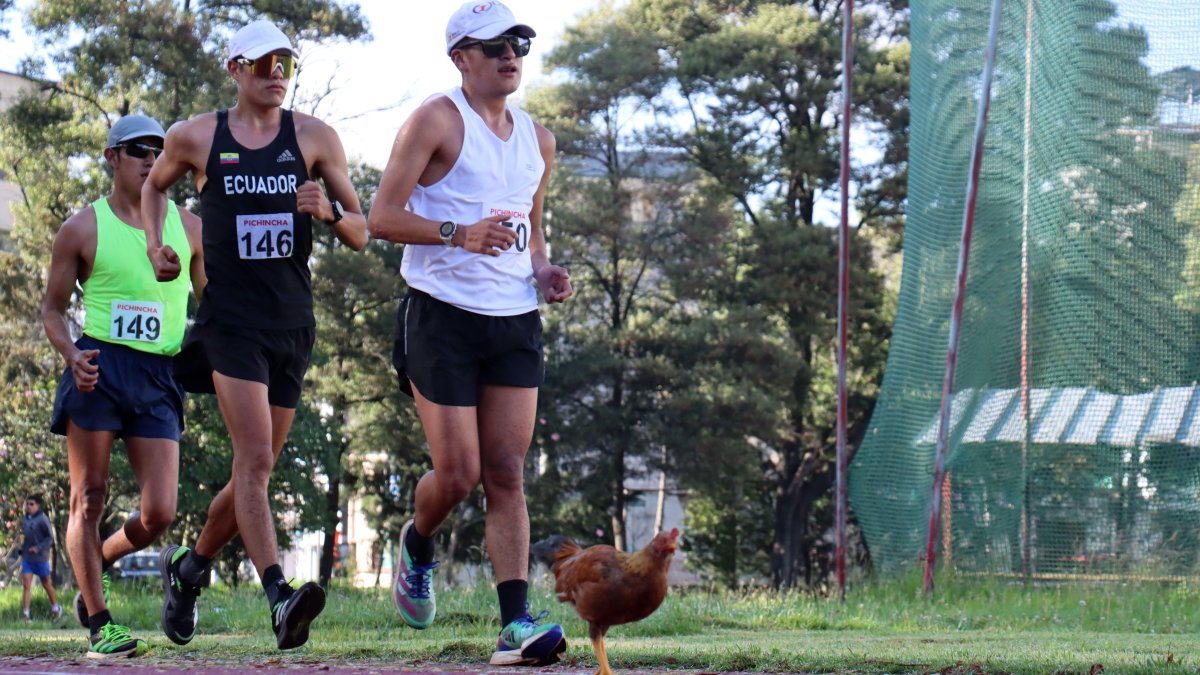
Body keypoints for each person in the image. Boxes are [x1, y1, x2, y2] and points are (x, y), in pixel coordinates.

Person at [142, 19, 368, 651]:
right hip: (230, 323)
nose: (277, 73)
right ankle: (278, 597)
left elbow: (362, 230)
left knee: (253, 475)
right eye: (264, 62)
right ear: (235, 68)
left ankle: (188, 571)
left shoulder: (316, 138)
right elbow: (153, 188)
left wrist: (329, 211)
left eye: (286, 64)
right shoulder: (195, 136)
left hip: (292, 324)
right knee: (258, 460)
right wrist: (160, 246)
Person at [366, 1, 573, 666]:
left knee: (506, 471)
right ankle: (418, 543)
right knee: (458, 474)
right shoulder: (436, 120)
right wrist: (458, 233)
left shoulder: (538, 140)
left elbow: (532, 229)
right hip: (440, 314)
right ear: (461, 58)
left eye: (518, 42)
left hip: (513, 317)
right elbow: (381, 216)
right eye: (493, 45)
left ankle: (515, 622)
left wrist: (544, 269)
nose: (510, 54)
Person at [42, 113, 205, 657]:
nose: (150, 160)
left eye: (159, 150)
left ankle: (99, 560)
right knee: (88, 498)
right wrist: (71, 354)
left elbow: (217, 304)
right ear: (111, 157)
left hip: (159, 372)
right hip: (100, 367)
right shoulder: (82, 227)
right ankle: (99, 625)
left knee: (160, 511)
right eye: (137, 149)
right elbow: (51, 309)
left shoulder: (191, 227)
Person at [18, 495, 61, 624]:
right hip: (28, 559)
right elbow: (24, 536)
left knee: (46, 583)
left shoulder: (43, 519)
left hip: (41, 559)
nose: (28, 506)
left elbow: (49, 538)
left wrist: (38, 547)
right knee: (26, 585)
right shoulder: (25, 519)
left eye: (31, 504)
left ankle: (56, 608)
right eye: (27, 504)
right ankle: (25, 615)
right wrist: (21, 549)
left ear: (37, 506)